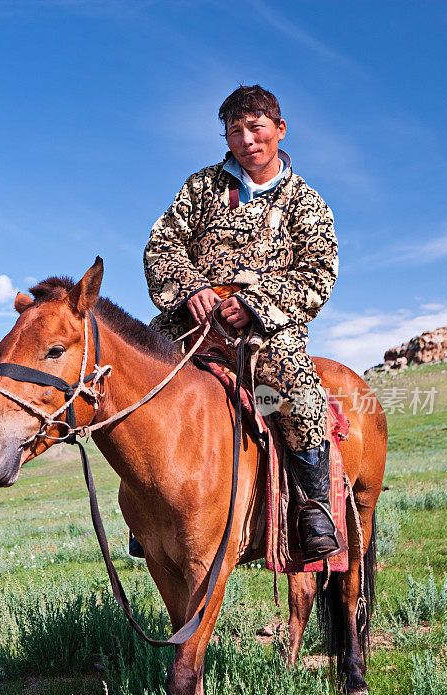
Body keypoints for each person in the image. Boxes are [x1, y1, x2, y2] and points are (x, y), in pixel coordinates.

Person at [135, 84, 343, 563]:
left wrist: (255, 303)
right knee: (138, 379)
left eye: (256, 128)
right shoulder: (201, 187)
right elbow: (161, 244)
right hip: (191, 323)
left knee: (295, 393)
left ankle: (312, 508)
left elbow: (318, 272)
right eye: (235, 131)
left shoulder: (305, 202)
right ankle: (147, 508)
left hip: (265, 331)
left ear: (279, 129)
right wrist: (191, 289)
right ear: (225, 138)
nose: (247, 139)